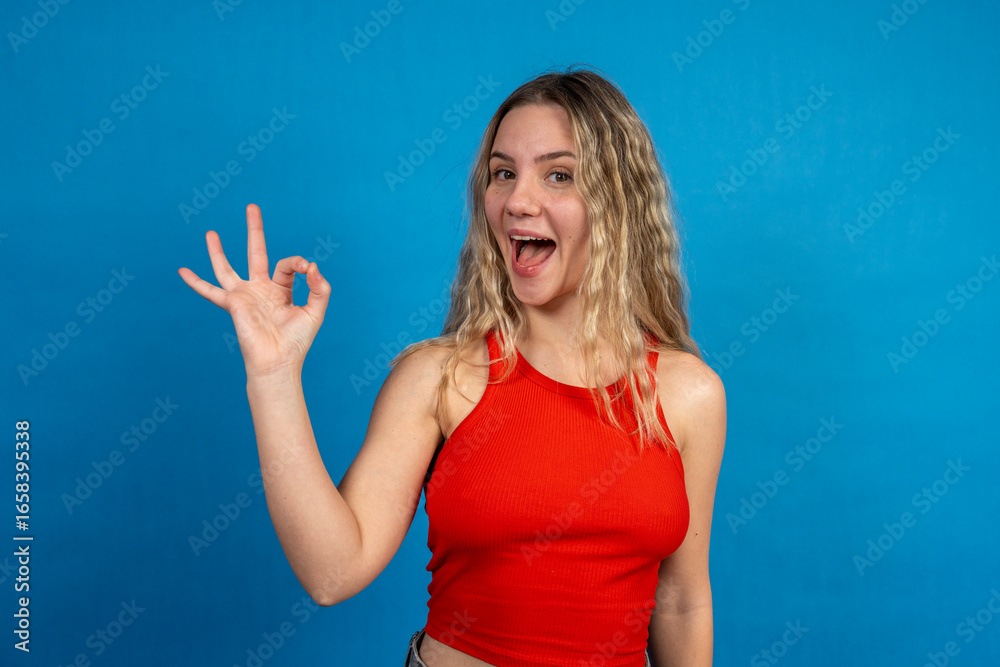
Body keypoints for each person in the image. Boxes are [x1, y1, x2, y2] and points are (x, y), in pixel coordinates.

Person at [178, 65, 726, 667]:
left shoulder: (685, 394)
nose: (518, 200)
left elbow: (680, 600)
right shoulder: (441, 379)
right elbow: (332, 572)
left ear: (618, 200)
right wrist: (273, 377)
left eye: (559, 175)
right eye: (503, 174)